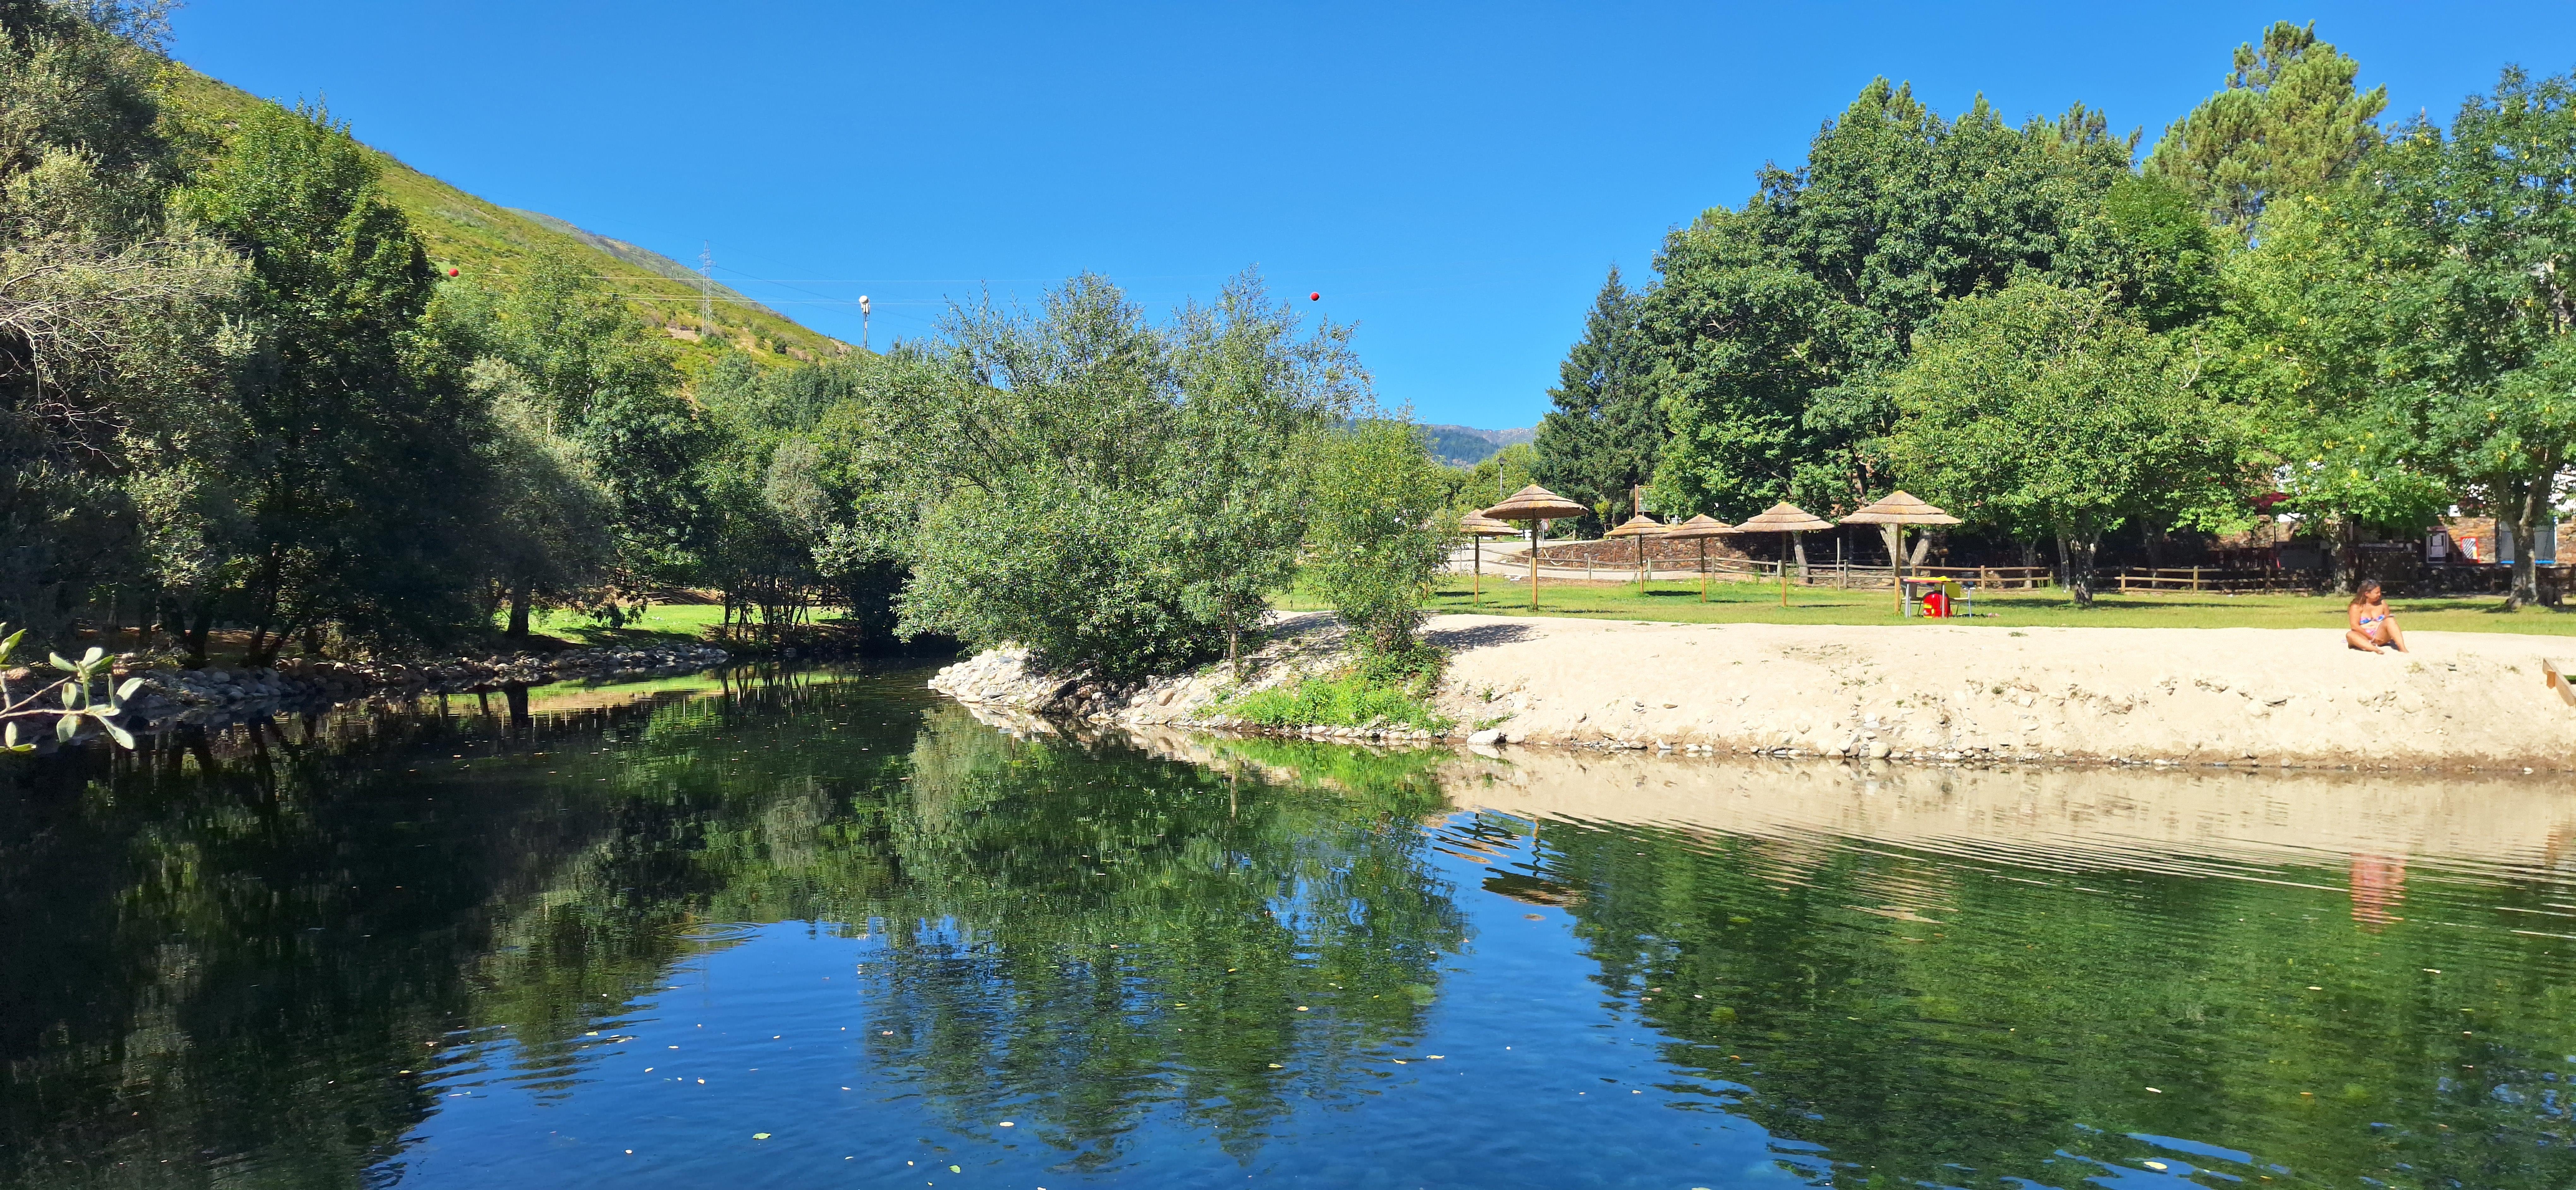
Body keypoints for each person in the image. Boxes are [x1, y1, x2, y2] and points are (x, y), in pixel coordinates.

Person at [2346, 580, 2409, 653]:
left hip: (2380, 636)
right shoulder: (2357, 607)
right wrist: (2371, 638)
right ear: (2367, 594)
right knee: (2350, 635)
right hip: (2364, 636)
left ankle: (2402, 648)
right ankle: (2375, 649)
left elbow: (2387, 622)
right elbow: (2355, 627)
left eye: (2380, 592)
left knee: (2390, 620)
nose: (2380, 595)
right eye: (2377, 593)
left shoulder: (2382, 604)